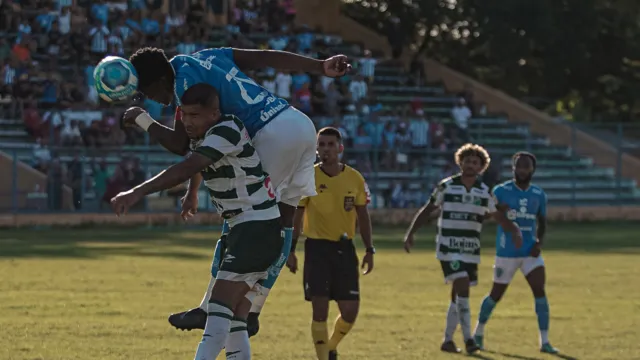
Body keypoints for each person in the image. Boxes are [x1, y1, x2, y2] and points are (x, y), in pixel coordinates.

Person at [121, 46, 350, 333]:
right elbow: (263, 57)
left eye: (148, 92)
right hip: (297, 123)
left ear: (157, 81)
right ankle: (253, 309)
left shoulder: (185, 86)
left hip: (268, 134)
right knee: (283, 222)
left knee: (243, 218)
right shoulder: (202, 56)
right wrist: (320, 66)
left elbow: (183, 146)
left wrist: (143, 119)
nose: (154, 100)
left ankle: (209, 307)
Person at [111, 83, 282, 360]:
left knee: (218, 310)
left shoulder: (227, 128)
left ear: (214, 114)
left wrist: (136, 191)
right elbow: (192, 157)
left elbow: (189, 164)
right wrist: (192, 192)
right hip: (247, 228)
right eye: (184, 115)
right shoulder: (204, 134)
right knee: (236, 317)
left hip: (256, 227)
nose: (187, 122)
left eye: (194, 115)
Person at [402, 143, 522, 354]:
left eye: (475, 162)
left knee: (457, 293)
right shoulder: (447, 186)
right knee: (463, 285)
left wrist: (514, 230)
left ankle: (447, 340)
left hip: (471, 248)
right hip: (449, 247)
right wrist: (411, 232)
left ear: (481, 167)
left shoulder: (484, 191)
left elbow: (495, 215)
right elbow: (428, 208)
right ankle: (469, 339)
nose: (470, 165)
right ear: (460, 162)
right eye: (467, 161)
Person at [288, 127, 374, 360]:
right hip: (317, 249)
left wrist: (369, 249)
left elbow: (363, 216)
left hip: (345, 249)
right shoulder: (308, 176)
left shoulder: (354, 178)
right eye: (321, 145)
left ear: (340, 148)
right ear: (316, 149)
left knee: (350, 311)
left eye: (330, 145)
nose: (325, 149)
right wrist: (291, 249)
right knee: (320, 311)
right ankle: (324, 357)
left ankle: (331, 346)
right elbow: (297, 215)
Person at [473, 152, 558, 354]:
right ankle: (478, 332)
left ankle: (545, 342)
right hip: (507, 252)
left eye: (525, 167)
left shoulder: (538, 194)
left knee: (540, 292)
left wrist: (539, 242)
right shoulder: (501, 191)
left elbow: (542, 222)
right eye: (518, 166)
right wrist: (496, 211)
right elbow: (483, 215)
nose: (521, 170)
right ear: (513, 169)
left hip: (530, 252)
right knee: (496, 294)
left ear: (532, 169)